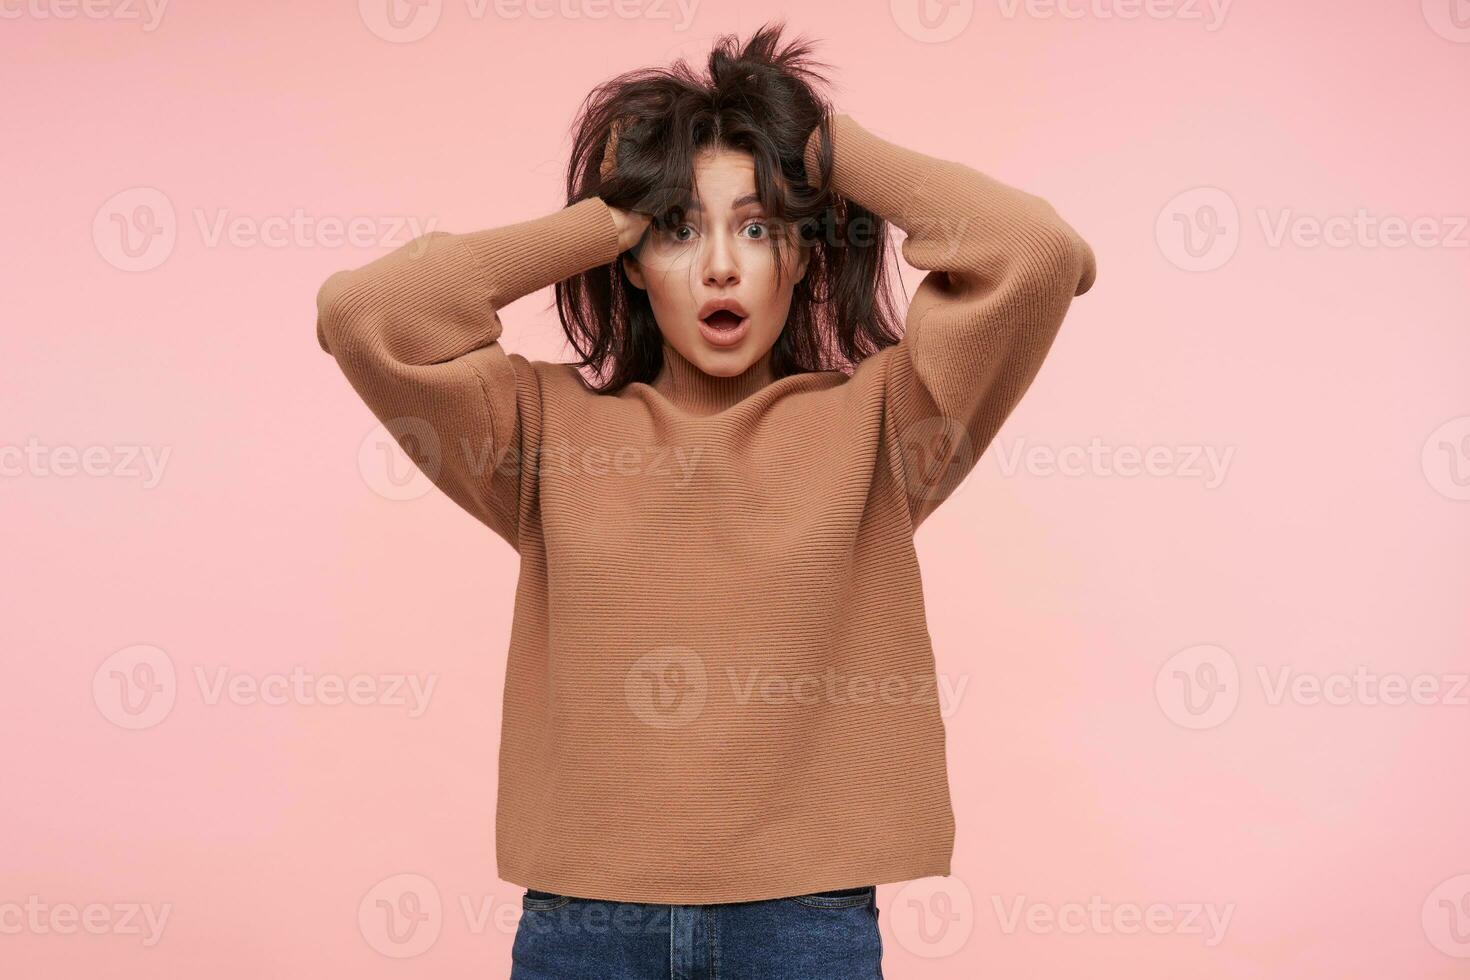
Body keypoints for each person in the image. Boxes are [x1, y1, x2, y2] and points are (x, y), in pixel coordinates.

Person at [314, 19, 1095, 979]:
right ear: (636, 266)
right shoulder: (540, 434)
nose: (721, 265)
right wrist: (604, 217)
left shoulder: (886, 427)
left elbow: (1037, 253)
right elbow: (365, 315)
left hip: (802, 924)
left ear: (805, 255)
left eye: (759, 226)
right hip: (585, 927)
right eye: (680, 230)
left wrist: (821, 148)